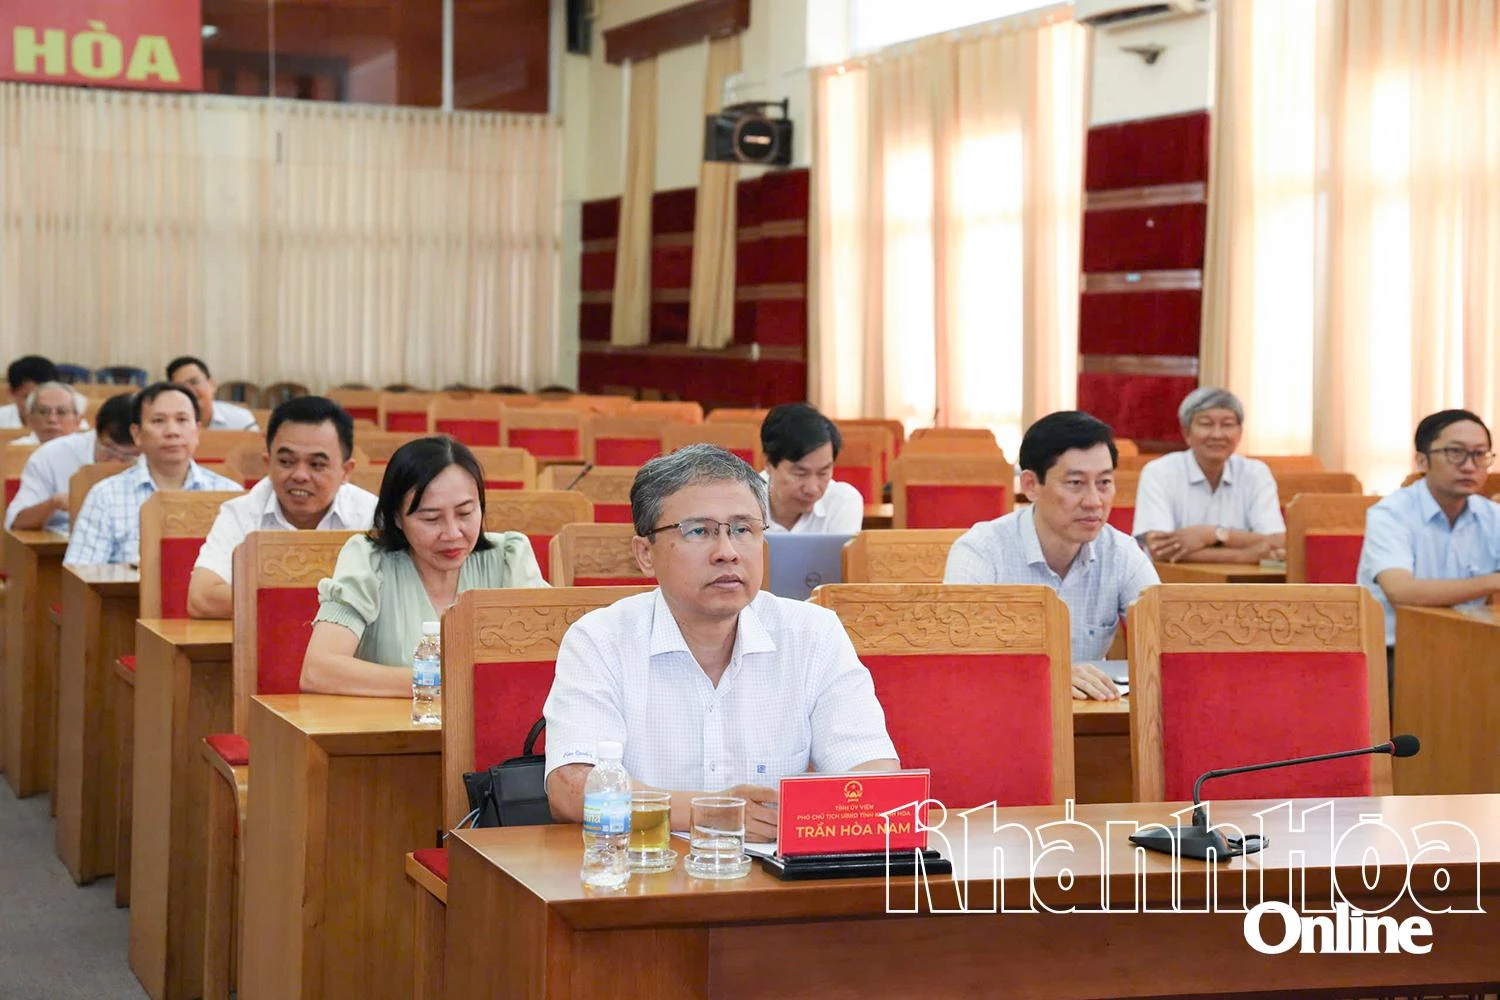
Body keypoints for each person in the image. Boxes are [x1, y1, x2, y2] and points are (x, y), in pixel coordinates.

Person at [543, 444, 899, 841]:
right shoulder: (600, 640)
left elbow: (875, 776)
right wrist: (711, 812)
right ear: (645, 553)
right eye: (699, 531)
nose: (727, 553)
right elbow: (573, 788)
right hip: (646, 869)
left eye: (743, 530)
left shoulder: (813, 635)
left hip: (777, 874)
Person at [300, 436, 546, 696]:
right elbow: (318, 671)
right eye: (431, 518)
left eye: (465, 513)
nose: (452, 533)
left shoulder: (509, 559)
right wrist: (442, 682)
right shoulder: (369, 562)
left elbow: (548, 664)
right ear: (397, 517)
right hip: (389, 722)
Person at [944, 411, 1159, 701]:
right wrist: (1048, 674)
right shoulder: (981, 551)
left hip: (1090, 715)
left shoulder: (1122, 553)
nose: (1094, 501)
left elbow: (1164, 642)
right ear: (1031, 485)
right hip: (1000, 709)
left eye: (1104, 483)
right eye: (1075, 483)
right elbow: (959, 655)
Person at [187, 396, 378, 619]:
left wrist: (274, 599)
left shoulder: (370, 514)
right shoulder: (241, 513)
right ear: (268, 463)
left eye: (317, 464)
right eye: (286, 462)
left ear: (346, 471)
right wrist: (311, 602)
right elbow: (202, 598)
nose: (300, 475)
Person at [1357, 409, 1500, 664]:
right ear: (1422, 461)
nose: (1469, 466)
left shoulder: (1492, 516)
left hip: (1472, 650)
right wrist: (1493, 581)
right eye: (1455, 452)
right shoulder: (1390, 514)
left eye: (1479, 454)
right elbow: (1400, 591)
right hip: (1397, 654)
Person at [63, 384, 243, 565]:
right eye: (158, 421)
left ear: (197, 431)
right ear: (137, 434)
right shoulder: (105, 496)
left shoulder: (230, 495)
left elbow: (245, 570)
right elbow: (80, 570)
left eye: (182, 419)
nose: (172, 431)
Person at [1133, 387, 1285, 564]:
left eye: (1227, 425)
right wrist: (1244, 556)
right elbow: (1160, 550)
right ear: (1186, 432)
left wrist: (1213, 534)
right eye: (1206, 424)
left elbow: (1277, 542)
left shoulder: (1255, 473)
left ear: (1240, 432)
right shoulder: (1160, 472)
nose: (1217, 434)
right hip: (1172, 580)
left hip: (1243, 581)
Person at [5, 393, 137, 533]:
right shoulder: (52, 455)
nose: (116, 462)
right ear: (96, 432)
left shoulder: (151, 456)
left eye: (128, 457)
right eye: (109, 450)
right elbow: (16, 522)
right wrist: (53, 503)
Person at [759, 403, 864, 534]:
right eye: (800, 473)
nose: (812, 489)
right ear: (769, 463)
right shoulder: (741, 500)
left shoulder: (841, 502)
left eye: (823, 473)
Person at [166, 356, 259, 431]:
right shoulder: (168, 426)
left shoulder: (241, 419)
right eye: (181, 386)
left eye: (194, 382)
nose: (189, 390)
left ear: (212, 385)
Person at [11, 381, 83, 446]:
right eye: (43, 412)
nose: (52, 419)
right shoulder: (14, 450)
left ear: (78, 420)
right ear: (30, 419)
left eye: (61, 412)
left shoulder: (85, 451)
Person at [0, 355, 60, 428]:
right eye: (29, 398)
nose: (39, 405)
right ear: (11, 392)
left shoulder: (70, 420)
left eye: (47, 397)